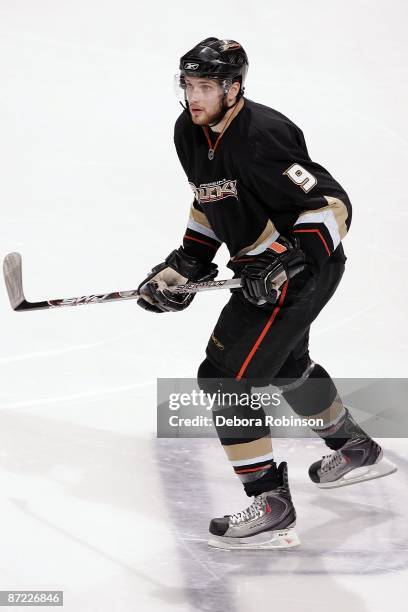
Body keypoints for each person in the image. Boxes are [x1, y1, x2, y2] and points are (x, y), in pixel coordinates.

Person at [137, 37, 397, 550]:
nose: (195, 96)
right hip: (261, 271)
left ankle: (270, 504)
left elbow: (332, 205)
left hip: (302, 272)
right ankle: (354, 448)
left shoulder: (263, 136)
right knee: (282, 366)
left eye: (206, 86)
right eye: (188, 85)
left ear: (233, 88)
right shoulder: (188, 132)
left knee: (222, 379)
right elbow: (210, 203)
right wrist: (186, 263)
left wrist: (287, 260)